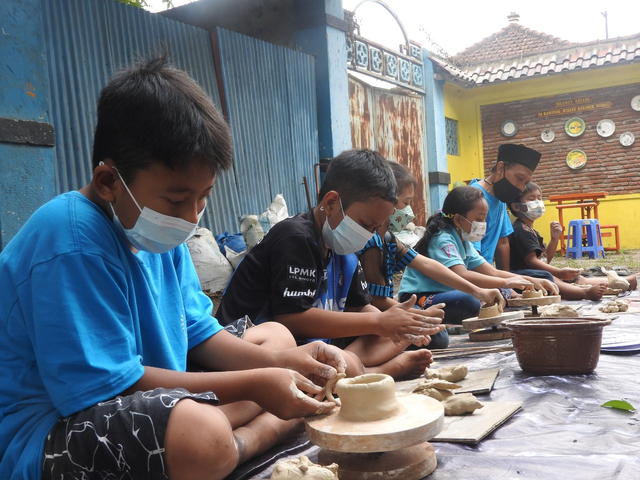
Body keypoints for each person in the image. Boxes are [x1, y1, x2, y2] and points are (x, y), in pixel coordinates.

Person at [0, 54, 348, 480]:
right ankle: (242, 442)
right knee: (200, 435)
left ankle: (248, 426)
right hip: (50, 429)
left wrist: (288, 361)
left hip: (155, 385)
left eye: (203, 197)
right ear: (110, 181)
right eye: (177, 199)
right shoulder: (69, 240)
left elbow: (199, 333)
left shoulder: (156, 227)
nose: (192, 215)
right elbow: (115, 387)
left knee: (276, 336)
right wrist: (257, 383)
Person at [217, 149, 446, 381]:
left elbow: (360, 308)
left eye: (374, 229)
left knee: (405, 329)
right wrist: (379, 321)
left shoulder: (342, 250)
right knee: (365, 341)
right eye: (365, 224)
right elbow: (292, 319)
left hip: (316, 345)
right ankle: (371, 372)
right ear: (332, 202)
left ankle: (349, 369)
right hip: (260, 347)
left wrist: (398, 322)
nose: (368, 235)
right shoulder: (295, 237)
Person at [357, 161, 505, 349]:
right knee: (437, 334)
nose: (407, 211)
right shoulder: (370, 243)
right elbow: (374, 301)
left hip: (389, 310)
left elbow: (426, 264)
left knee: (436, 331)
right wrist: (416, 314)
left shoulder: (388, 238)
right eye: (406, 202)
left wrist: (481, 290)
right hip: (377, 315)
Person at [398, 186, 559, 323]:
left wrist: (532, 280)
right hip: (420, 296)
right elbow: (462, 274)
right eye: (479, 219)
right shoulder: (443, 239)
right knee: (470, 301)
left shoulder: (464, 239)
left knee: (503, 292)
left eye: (484, 219)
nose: (483, 224)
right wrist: (505, 282)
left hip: (449, 291)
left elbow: (492, 271)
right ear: (458, 220)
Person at [509, 183, 636, 299]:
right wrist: (559, 272)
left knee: (576, 278)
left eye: (539, 198)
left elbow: (545, 259)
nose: (537, 202)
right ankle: (585, 293)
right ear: (516, 206)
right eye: (531, 199)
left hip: (534, 271)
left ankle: (620, 282)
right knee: (549, 277)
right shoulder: (521, 230)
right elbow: (531, 261)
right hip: (522, 276)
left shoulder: (531, 230)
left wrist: (555, 238)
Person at [469, 143, 550, 277]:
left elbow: (502, 242)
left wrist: (508, 282)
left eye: (526, 183)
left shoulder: (500, 198)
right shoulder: (475, 199)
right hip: (475, 275)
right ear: (500, 168)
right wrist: (500, 282)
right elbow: (472, 254)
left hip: (491, 274)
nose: (521, 188)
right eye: (519, 178)